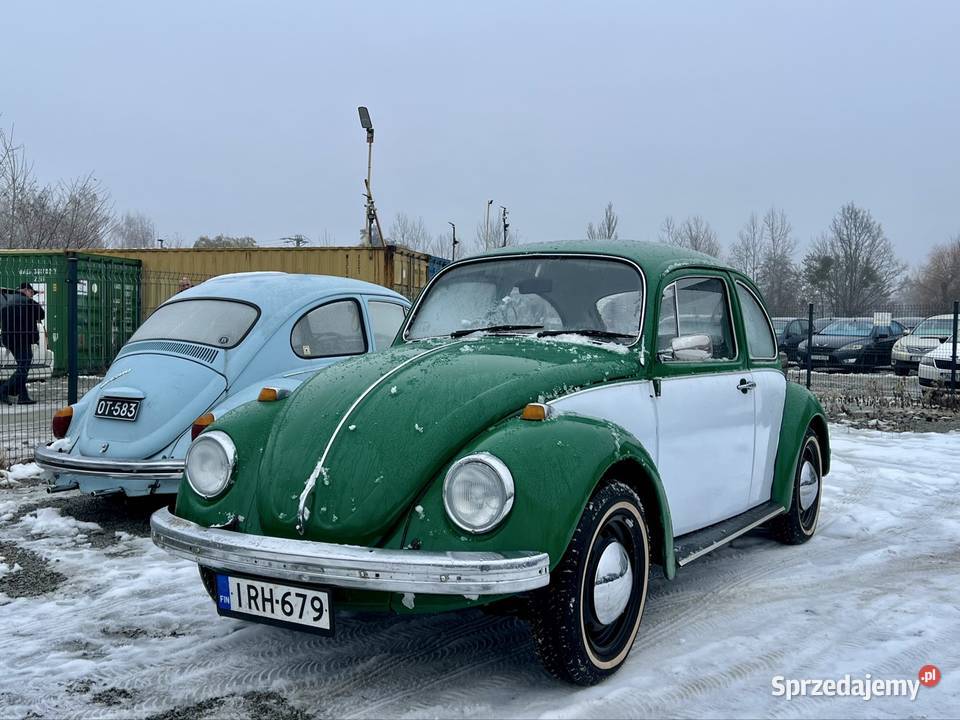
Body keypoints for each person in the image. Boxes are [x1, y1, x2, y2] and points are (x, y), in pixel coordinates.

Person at [0, 282, 45, 405]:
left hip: (9, 339)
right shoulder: (27, 301)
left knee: (22, 367)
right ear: (26, 290)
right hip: (23, 338)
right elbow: (41, 314)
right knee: (23, 367)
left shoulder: (7, 300)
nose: (32, 295)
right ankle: (3, 389)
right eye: (31, 292)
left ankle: (23, 396)